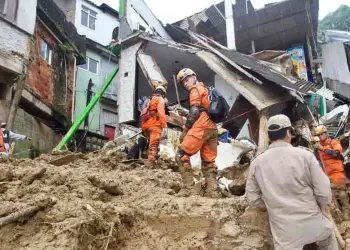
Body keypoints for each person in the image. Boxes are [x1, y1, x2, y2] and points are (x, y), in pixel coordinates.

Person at [246, 115, 337, 250]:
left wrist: (273, 206)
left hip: (285, 235)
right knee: (328, 239)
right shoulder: (305, 156)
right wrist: (321, 208)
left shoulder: (256, 164)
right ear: (288, 132)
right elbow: (324, 192)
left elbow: (253, 200)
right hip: (314, 225)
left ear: (269, 137)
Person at [175, 68, 219, 198]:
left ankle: (189, 189)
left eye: (187, 80)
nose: (186, 84)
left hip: (202, 126)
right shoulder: (205, 89)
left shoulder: (195, 89)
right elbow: (200, 109)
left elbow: (194, 112)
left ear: (194, 77)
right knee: (208, 162)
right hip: (212, 128)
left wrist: (185, 130)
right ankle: (212, 192)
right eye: (183, 83)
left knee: (181, 155)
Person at [314, 125, 350, 220]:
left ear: (326, 133)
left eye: (322, 133)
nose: (321, 136)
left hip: (337, 173)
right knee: (331, 196)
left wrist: (323, 149)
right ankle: (338, 216)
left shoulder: (334, 142)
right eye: (318, 134)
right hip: (326, 175)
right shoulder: (317, 147)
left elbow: (336, 154)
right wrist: (316, 150)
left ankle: (347, 214)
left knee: (342, 194)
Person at [141, 86, 167, 161]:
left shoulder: (149, 100)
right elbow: (161, 114)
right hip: (154, 126)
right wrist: (164, 127)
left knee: (151, 144)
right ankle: (150, 164)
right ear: (163, 94)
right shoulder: (160, 99)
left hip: (146, 126)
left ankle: (149, 159)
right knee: (153, 146)